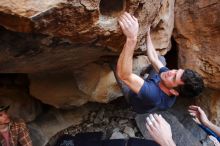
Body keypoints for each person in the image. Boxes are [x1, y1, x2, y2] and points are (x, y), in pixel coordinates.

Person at [116, 12, 204, 113]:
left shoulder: (153, 95)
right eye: (176, 71)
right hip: (153, 88)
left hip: (133, 98)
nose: (171, 72)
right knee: (161, 59)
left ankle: (134, 90)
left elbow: (124, 75)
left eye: (174, 77)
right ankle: (143, 75)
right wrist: (147, 34)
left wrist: (132, 38)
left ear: (173, 92)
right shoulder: (169, 79)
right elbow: (154, 58)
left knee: (117, 66)